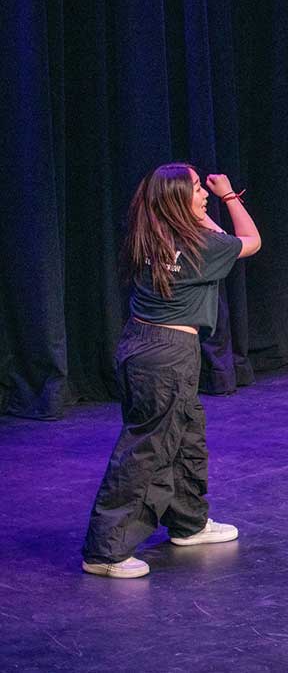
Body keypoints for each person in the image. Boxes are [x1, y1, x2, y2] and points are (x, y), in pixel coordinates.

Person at [82, 164, 262, 578]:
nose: (204, 194)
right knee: (148, 450)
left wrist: (194, 208)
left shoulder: (150, 233)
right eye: (197, 189)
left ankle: (188, 522)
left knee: (186, 437)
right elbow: (249, 241)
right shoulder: (201, 245)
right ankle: (105, 552)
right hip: (168, 356)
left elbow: (214, 238)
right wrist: (228, 196)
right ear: (179, 201)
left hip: (141, 345)